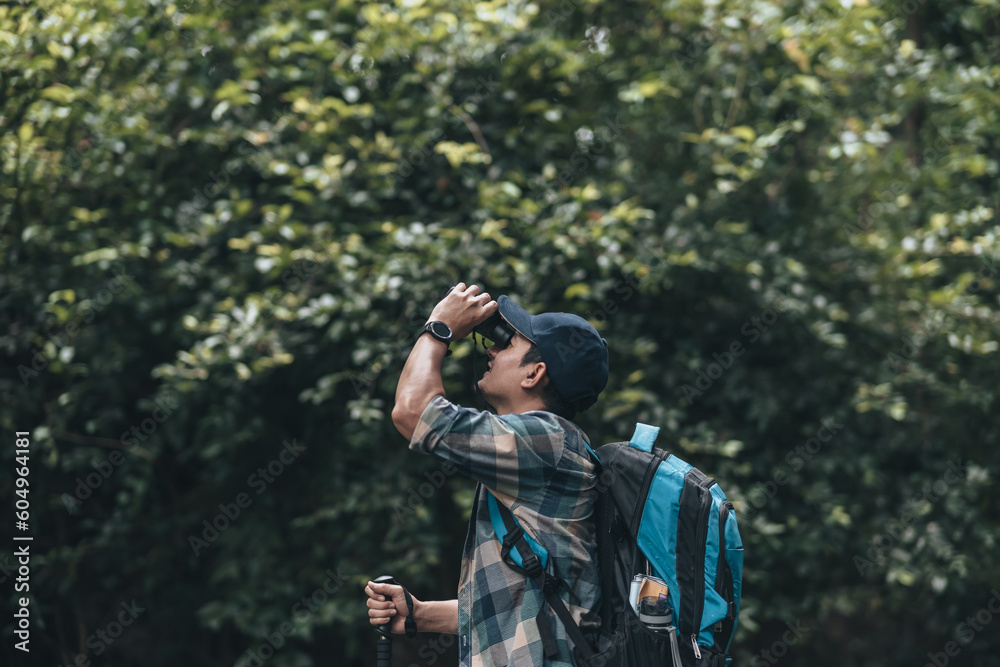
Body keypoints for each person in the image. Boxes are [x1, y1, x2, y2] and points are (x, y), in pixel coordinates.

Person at [364, 283, 610, 666]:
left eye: (507, 345)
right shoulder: (544, 450)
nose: (492, 350)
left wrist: (439, 328)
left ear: (535, 373)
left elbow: (413, 413)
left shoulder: (547, 439)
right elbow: (519, 605)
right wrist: (420, 614)